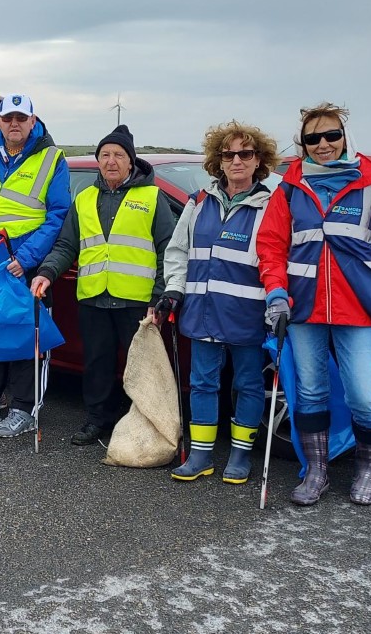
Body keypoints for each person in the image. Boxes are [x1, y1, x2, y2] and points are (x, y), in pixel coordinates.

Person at [256, 102, 371, 506]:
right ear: (303, 144)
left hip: (359, 309)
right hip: (305, 308)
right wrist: (276, 293)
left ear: (345, 137)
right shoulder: (291, 186)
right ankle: (317, 472)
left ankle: (369, 469)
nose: (323, 144)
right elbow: (271, 245)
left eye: (331, 135)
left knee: (364, 393)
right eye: (313, 138)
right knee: (309, 392)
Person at [32, 124, 175, 445]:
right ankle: (97, 418)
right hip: (94, 296)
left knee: (142, 367)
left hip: (138, 301)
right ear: (99, 160)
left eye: (119, 155)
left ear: (131, 162)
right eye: (105, 154)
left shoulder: (152, 197)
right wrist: (47, 272)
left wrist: (161, 295)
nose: (111, 161)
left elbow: (169, 248)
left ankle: (149, 425)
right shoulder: (84, 199)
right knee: (96, 362)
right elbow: (66, 245)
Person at [156, 121, 279, 483]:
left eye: (245, 153)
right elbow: (177, 251)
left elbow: (275, 259)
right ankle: (201, 455)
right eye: (228, 154)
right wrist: (174, 288)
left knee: (248, 384)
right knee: (203, 384)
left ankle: (240, 456)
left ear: (259, 160)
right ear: (218, 161)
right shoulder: (198, 203)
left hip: (247, 314)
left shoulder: (270, 207)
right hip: (202, 311)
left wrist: (275, 303)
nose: (236, 160)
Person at [0, 94, 71, 437]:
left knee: (23, 337)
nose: (14, 124)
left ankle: (23, 410)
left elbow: (57, 216)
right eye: (8, 118)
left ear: (33, 121)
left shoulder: (52, 159)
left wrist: (26, 259)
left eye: (22, 118)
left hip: (21, 263)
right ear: (0, 122)